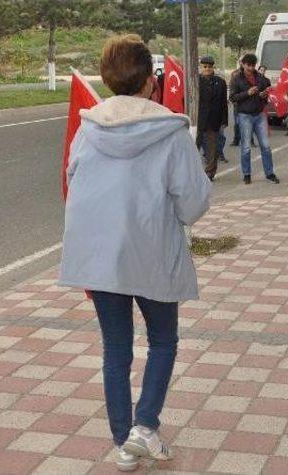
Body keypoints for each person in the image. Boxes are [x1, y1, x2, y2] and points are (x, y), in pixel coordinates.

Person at [59, 35, 211, 472]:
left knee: (116, 349)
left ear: (108, 79)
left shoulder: (88, 129)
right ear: (150, 81)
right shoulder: (170, 131)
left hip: (102, 257)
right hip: (153, 254)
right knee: (163, 341)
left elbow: (75, 183)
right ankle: (143, 429)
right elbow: (193, 205)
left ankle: (124, 441)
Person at [229, 53, 280, 185]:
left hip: (259, 113)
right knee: (246, 147)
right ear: (243, 64)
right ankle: (247, 174)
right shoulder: (236, 78)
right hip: (245, 115)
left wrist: (264, 94)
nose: (251, 68)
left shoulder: (260, 77)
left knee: (266, 146)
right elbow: (232, 97)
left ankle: (269, 173)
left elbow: (267, 91)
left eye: (253, 65)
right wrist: (247, 93)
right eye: (248, 65)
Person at [197, 55, 228, 181]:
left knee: (212, 149)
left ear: (213, 67)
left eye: (209, 66)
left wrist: (224, 120)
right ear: (201, 67)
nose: (207, 69)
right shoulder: (195, 81)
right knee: (194, 147)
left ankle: (210, 172)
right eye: (205, 66)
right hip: (198, 118)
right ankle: (193, 171)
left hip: (214, 119)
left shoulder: (220, 82)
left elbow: (223, 103)